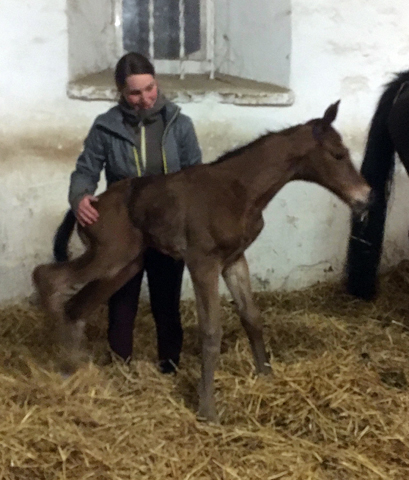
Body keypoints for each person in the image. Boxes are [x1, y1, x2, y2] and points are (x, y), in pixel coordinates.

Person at [67, 52, 202, 373]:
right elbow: (86, 169)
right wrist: (80, 196)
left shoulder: (179, 125)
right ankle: (120, 365)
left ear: (157, 82)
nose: (145, 98)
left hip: (168, 225)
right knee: (122, 295)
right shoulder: (106, 127)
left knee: (166, 297)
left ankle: (170, 365)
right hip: (126, 225)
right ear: (121, 92)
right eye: (135, 93)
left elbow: (196, 174)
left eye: (150, 88)